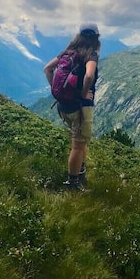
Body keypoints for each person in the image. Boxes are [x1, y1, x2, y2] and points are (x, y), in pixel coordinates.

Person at [45, 24, 101, 190]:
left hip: (64, 106)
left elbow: (47, 69)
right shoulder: (91, 55)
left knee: (80, 143)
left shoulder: (67, 52)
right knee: (78, 145)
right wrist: (83, 94)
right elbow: (89, 75)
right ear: (96, 38)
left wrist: (56, 89)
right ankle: (73, 184)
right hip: (80, 108)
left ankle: (80, 173)